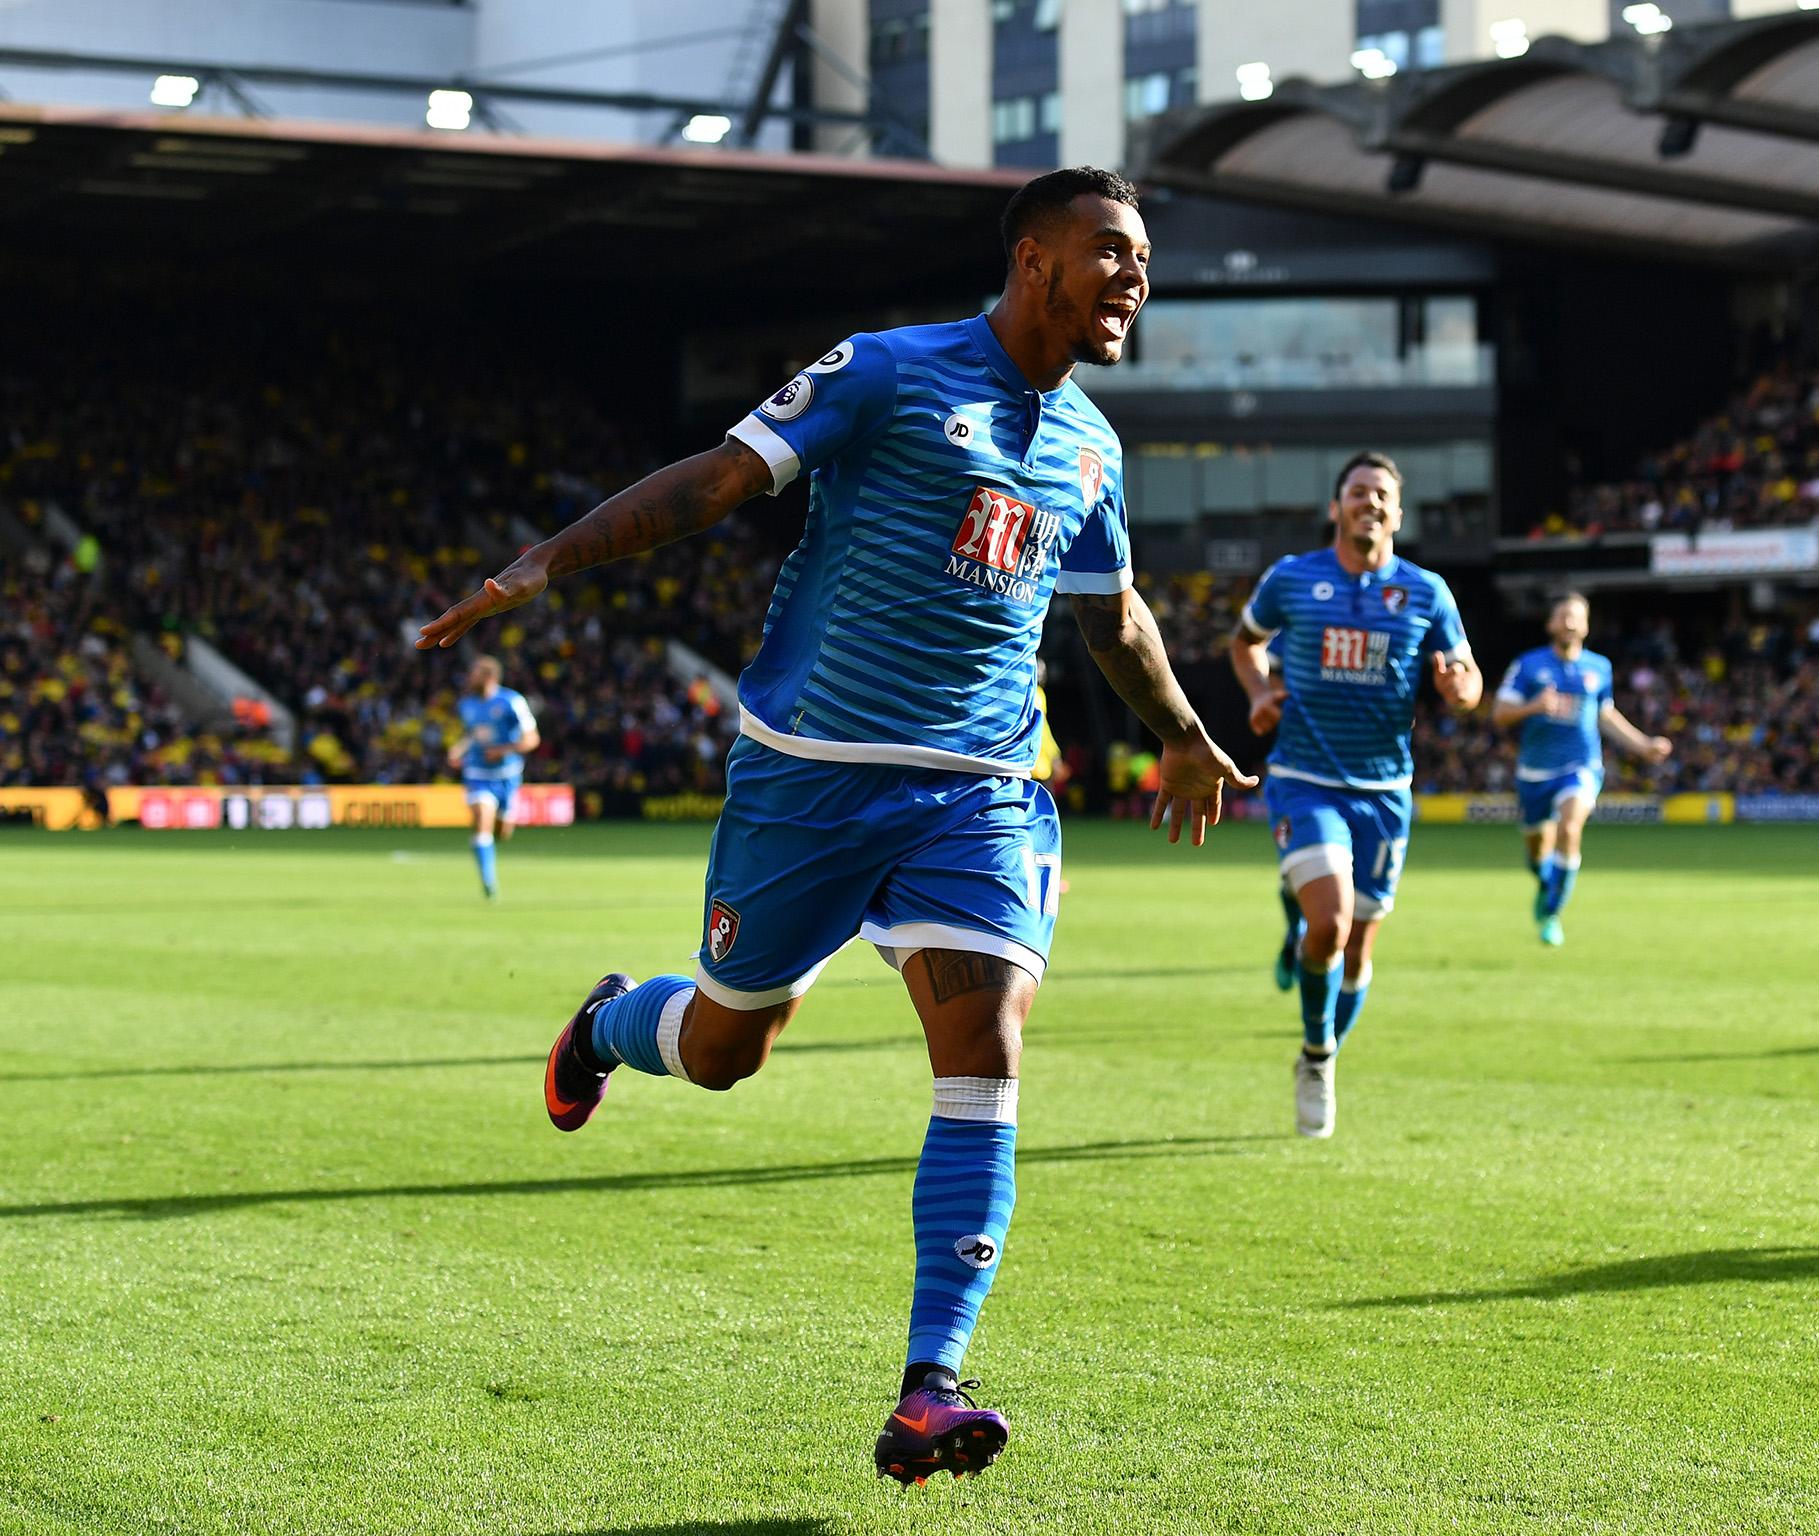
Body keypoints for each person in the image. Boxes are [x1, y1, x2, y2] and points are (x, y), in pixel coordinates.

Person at [415, 167, 1254, 1484]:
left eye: (1142, 260)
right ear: (1034, 259)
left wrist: (1187, 738)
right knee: (721, 1049)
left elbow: (1112, 617)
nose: (1134, 281)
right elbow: (715, 483)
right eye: (1112, 253)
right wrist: (540, 566)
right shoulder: (891, 370)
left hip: (976, 789)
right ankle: (607, 1024)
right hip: (807, 777)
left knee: (984, 1042)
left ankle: (932, 1383)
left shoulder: (1092, 446)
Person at [1230, 452, 1480, 1139]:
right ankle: (1316, 1060)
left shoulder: (1427, 592)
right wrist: (1257, 693)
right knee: (1332, 924)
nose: (1370, 503)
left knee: (1359, 949)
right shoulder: (1293, 578)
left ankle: (1323, 1034)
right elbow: (1245, 643)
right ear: (1337, 507)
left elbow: (1466, 670)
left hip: (1384, 790)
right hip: (1305, 777)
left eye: (1382, 495)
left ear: (1399, 514)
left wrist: (1462, 689)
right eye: (1358, 492)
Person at [1491, 592, 1671, 946]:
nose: (1569, 622)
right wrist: (1534, 707)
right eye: (1563, 615)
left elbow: (1605, 715)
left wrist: (1643, 744)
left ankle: (1552, 913)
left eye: (1576, 616)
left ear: (1586, 626)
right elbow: (1499, 714)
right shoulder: (1528, 665)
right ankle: (1545, 882)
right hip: (1534, 772)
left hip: (1581, 764)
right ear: (1550, 624)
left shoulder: (1598, 668)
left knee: (1570, 828)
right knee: (1536, 852)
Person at [446, 655, 539, 899]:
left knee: (502, 833)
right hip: (477, 773)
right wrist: (459, 749)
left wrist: (502, 750)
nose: (469, 677)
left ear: (489, 677)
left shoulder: (512, 701)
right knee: (481, 822)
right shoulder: (466, 705)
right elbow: (473, 735)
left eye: (474, 673)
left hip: (507, 775)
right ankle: (488, 880)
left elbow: (532, 739)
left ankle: (487, 844)